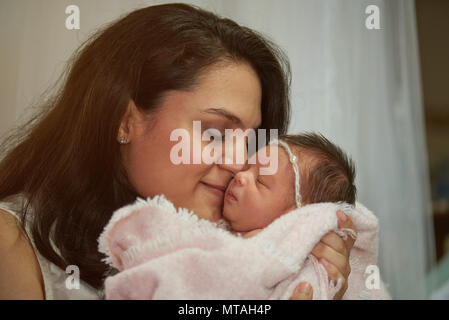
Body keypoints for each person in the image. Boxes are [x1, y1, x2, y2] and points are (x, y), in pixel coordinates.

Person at [0, 3, 356, 299]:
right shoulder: (12, 244)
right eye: (215, 133)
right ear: (124, 121)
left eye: (251, 144)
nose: (238, 163)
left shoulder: (257, 260)